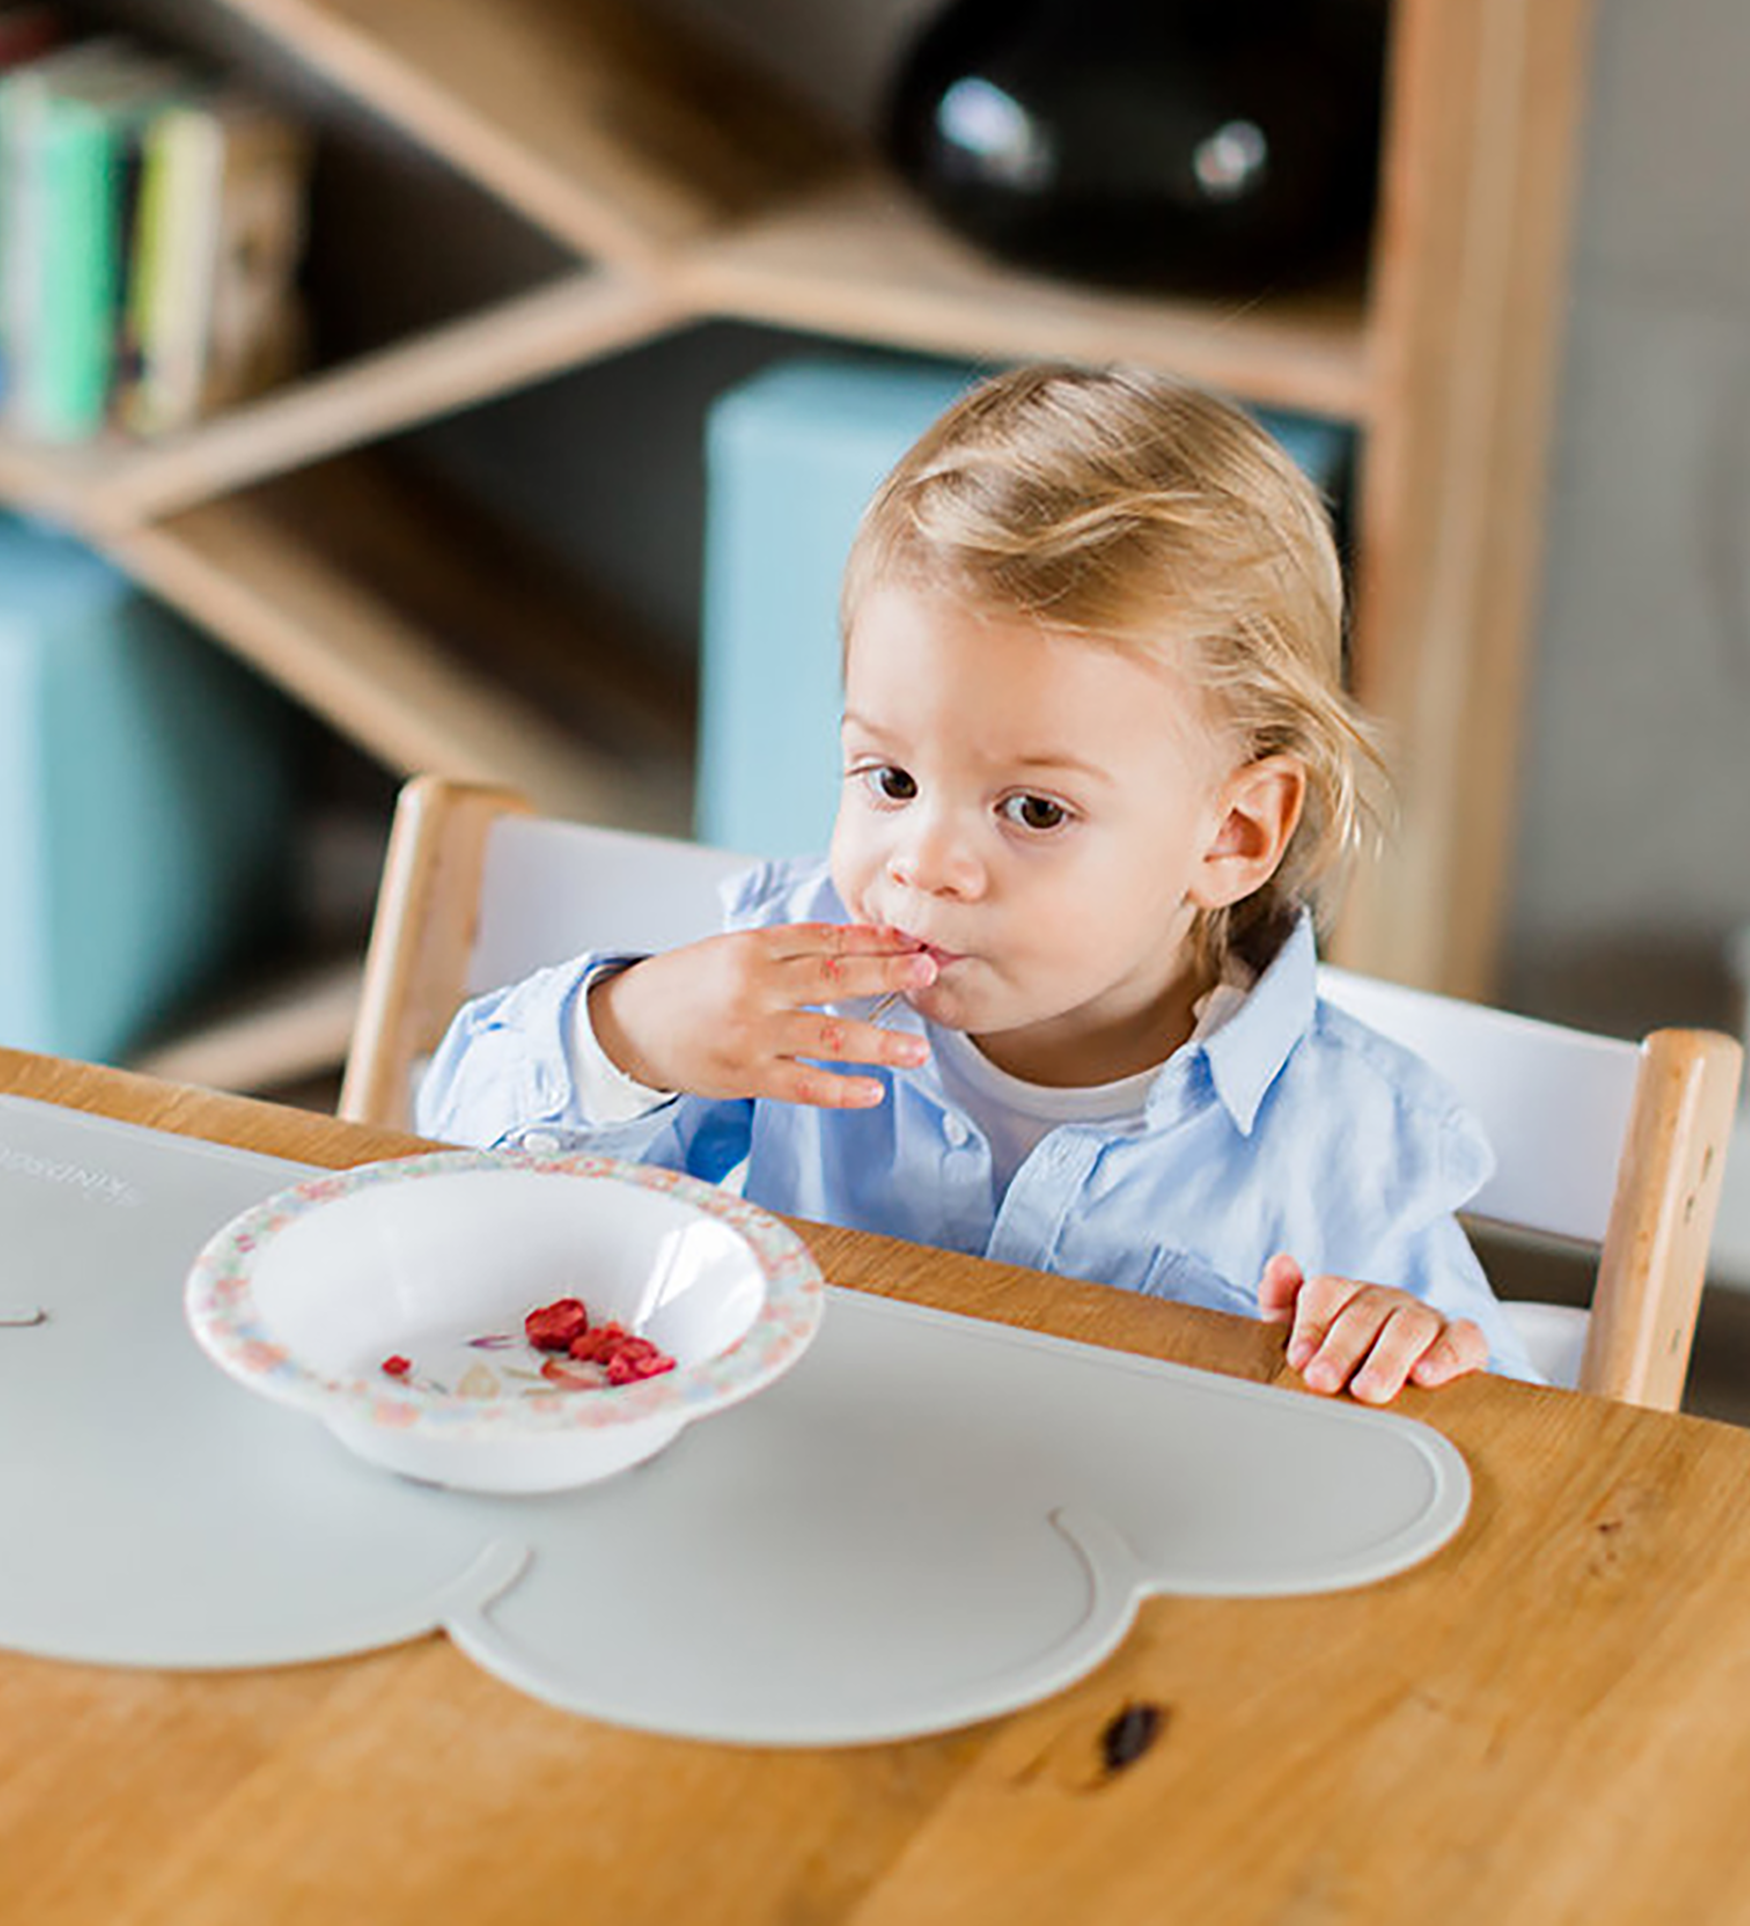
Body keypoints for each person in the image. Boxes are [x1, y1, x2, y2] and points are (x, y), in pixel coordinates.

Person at [416, 362, 1538, 1400]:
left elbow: (1507, 1433)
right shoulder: (785, 989)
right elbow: (449, 1167)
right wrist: (626, 1035)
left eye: (1034, 810)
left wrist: (1405, 1347)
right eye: (889, 777)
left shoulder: (1349, 1137)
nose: (923, 863)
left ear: (1232, 833)